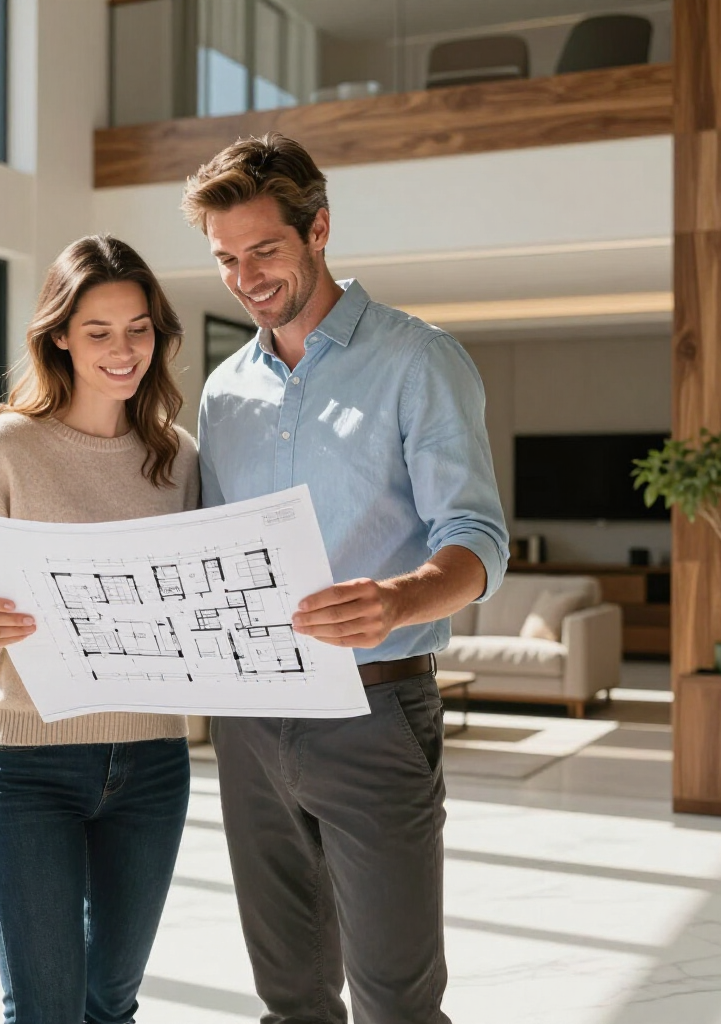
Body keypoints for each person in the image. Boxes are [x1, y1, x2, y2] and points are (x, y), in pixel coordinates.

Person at [184, 133, 509, 1024]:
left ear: (318, 228)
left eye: (264, 250)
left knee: (397, 1004)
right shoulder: (223, 392)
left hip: (375, 714)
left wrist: (399, 598)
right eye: (225, 260)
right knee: (289, 996)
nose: (246, 277)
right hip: (249, 722)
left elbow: (479, 539)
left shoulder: (417, 360)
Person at [0, 235, 199, 1024]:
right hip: (26, 769)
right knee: (44, 1010)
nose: (124, 350)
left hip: (153, 763)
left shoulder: (177, 457)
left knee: (111, 1002)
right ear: (59, 336)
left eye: (139, 328)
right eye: (98, 331)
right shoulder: (5, 447)